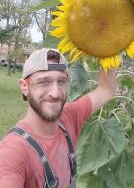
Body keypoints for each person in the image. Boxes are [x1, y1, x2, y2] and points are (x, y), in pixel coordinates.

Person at [0, 48, 117, 188]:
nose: (55, 93)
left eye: (61, 82)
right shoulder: (13, 152)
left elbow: (106, 90)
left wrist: (111, 44)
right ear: (25, 87)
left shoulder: (69, 116)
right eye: (44, 82)